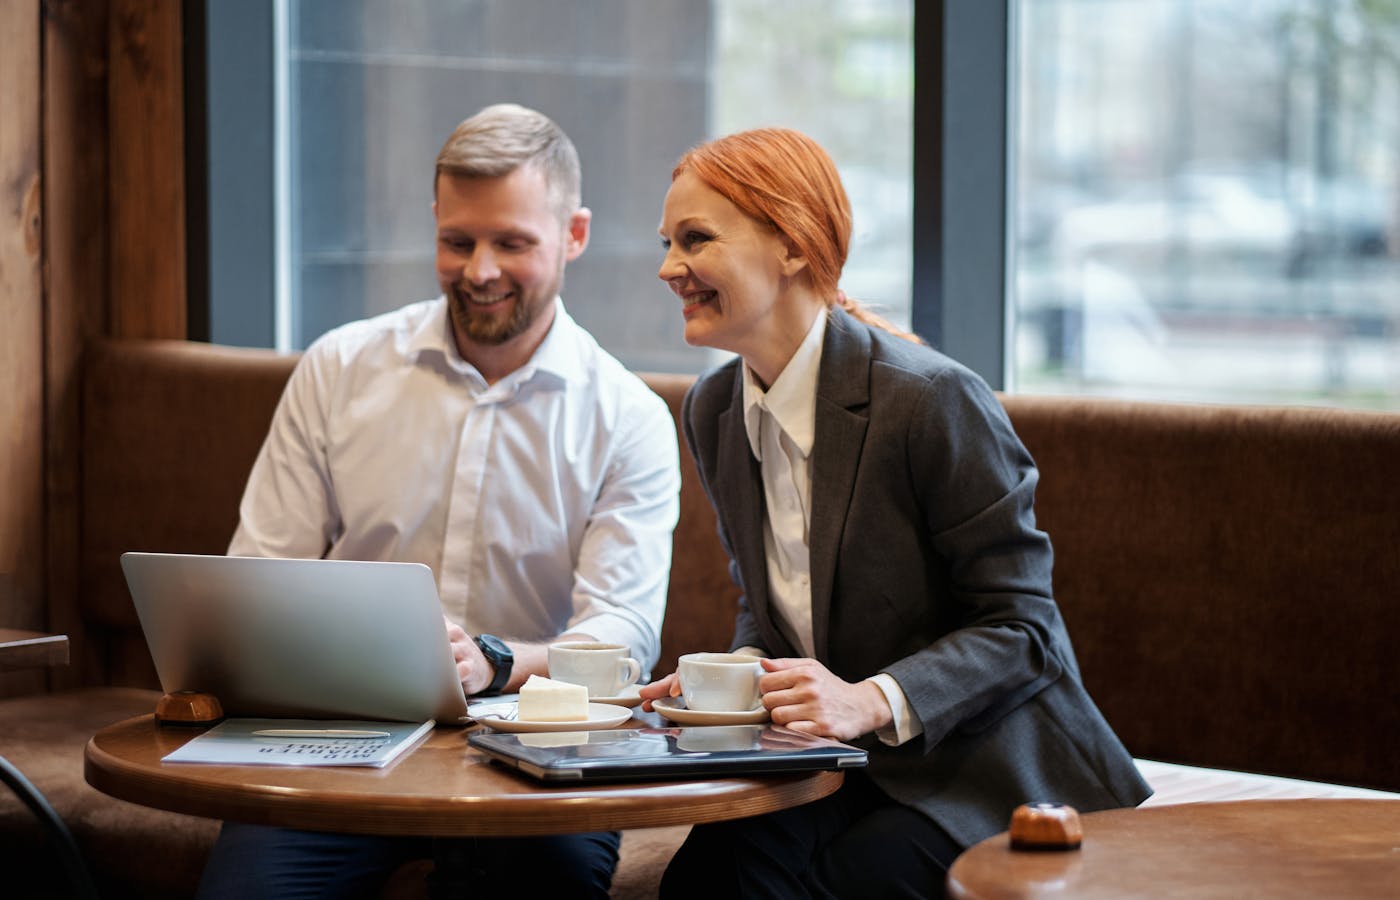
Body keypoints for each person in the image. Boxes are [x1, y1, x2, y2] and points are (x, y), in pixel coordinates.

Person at [643, 127, 1150, 898]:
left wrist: (866, 699)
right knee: (708, 882)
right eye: (668, 242)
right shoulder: (713, 409)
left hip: (981, 766)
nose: (669, 267)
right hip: (841, 766)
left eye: (696, 239)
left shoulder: (929, 400)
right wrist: (731, 675)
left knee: (840, 884)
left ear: (791, 244)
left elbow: (1024, 630)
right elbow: (772, 605)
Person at [196, 103, 681, 899]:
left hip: (540, 760)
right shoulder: (340, 368)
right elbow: (257, 576)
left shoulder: (628, 417)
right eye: (458, 241)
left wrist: (497, 664)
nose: (480, 269)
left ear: (575, 235)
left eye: (512, 243)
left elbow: (622, 641)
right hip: (341, 746)